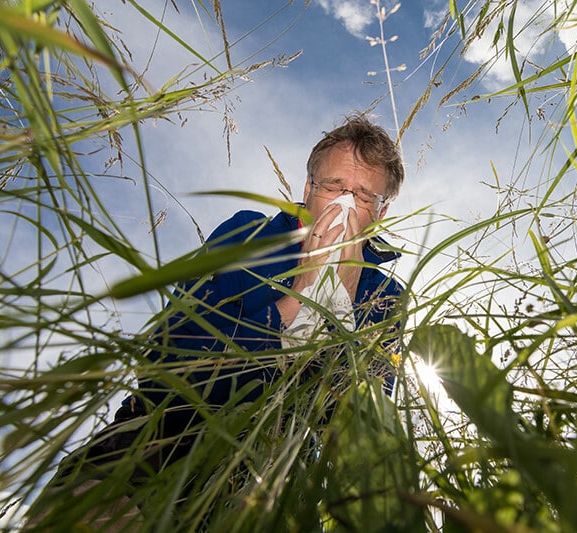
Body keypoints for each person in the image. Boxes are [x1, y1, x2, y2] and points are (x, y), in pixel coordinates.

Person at [26, 113, 405, 530]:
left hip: (265, 484)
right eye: (333, 187)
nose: (345, 205)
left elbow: (359, 427)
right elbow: (165, 358)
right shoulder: (248, 235)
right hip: (155, 441)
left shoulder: (385, 296)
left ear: (381, 213)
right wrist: (295, 301)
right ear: (308, 189)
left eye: (364, 196)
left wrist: (344, 313)